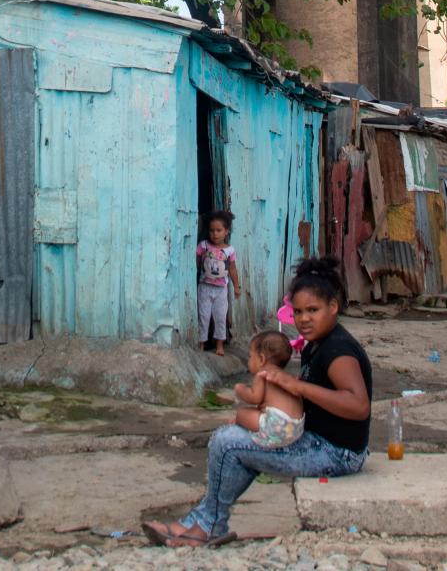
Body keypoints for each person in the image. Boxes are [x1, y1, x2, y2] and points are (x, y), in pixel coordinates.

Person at [144, 257, 372, 548]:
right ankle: (201, 523)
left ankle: (205, 526)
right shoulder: (319, 344)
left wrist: (297, 385)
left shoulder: (338, 351)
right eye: (299, 312)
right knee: (237, 439)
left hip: (336, 453)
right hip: (320, 442)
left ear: (334, 307)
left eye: (313, 310)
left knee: (226, 444)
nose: (304, 319)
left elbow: (358, 406)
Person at [231, 330, 304, 449]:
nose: (248, 360)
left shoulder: (263, 374)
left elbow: (254, 398)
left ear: (261, 359)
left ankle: (239, 423)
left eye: (250, 356)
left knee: (242, 413)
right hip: (295, 429)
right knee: (259, 412)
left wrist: (240, 389)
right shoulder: (287, 377)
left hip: (277, 428)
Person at [196, 211, 240, 356]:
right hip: (204, 288)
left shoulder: (229, 250)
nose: (215, 234)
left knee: (220, 317)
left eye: (219, 230)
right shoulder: (203, 246)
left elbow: (232, 269)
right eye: (212, 230)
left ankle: (219, 344)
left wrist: (237, 287)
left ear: (226, 231)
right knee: (204, 316)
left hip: (221, 290)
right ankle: (202, 344)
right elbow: (197, 262)